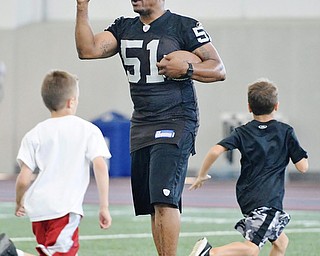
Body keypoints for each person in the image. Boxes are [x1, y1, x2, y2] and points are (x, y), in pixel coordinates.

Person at [75, 1, 226, 255]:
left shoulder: (184, 26)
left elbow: (218, 69)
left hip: (177, 118)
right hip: (143, 122)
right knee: (153, 205)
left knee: (164, 198)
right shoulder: (124, 27)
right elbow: (87, 49)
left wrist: (188, 69)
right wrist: (81, 7)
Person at [188, 78, 309, 256]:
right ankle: (209, 253)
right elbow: (303, 168)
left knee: (281, 242)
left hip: (247, 197)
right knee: (252, 249)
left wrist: (202, 175)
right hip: (268, 200)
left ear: (249, 107)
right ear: (276, 106)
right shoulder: (285, 131)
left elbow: (215, 150)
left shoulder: (242, 131)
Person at [15, 70, 112, 256]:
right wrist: (104, 206)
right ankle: (12, 253)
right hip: (64, 209)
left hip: (38, 210)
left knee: (51, 252)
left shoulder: (34, 133)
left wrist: (20, 201)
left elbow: (23, 179)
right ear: (71, 102)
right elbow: (100, 166)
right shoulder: (88, 130)